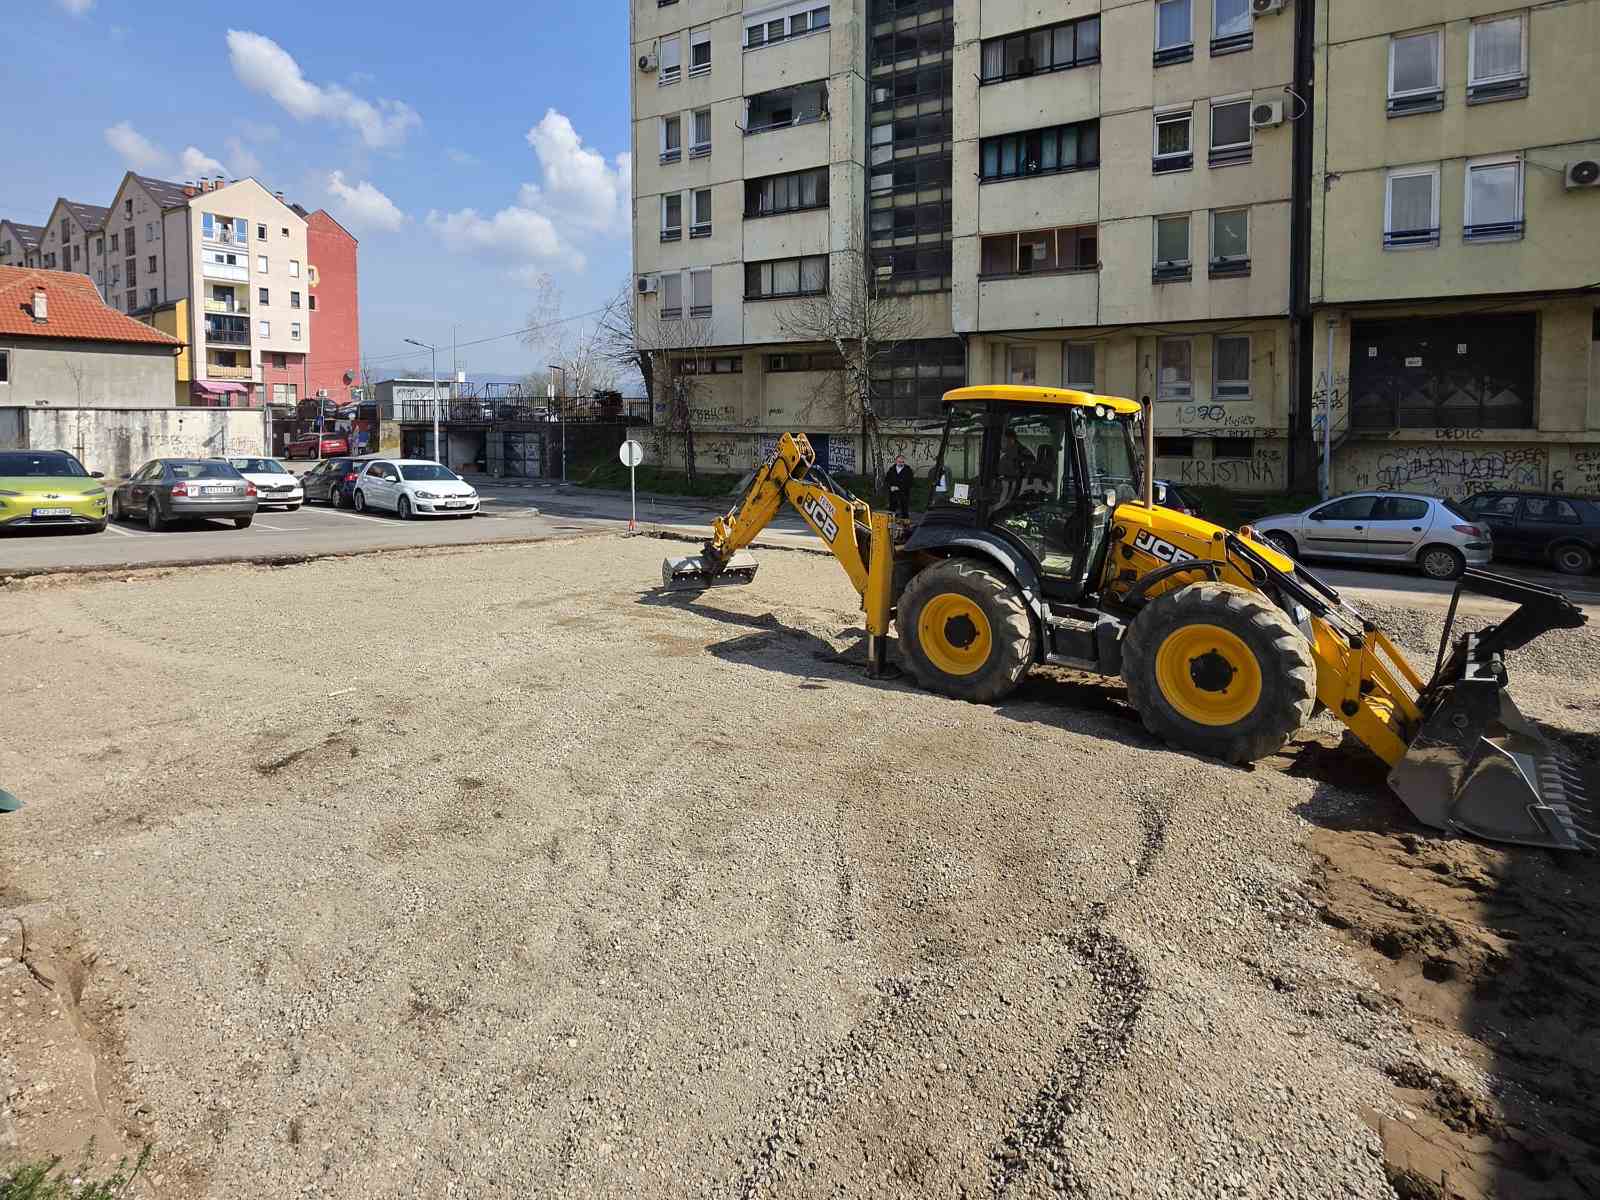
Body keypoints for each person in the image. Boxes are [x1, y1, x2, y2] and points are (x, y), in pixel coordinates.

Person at [885, 454, 914, 520]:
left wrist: (899, 487)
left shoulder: (908, 470)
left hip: (904, 493)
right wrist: (890, 487)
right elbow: (887, 480)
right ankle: (891, 520)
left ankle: (905, 523)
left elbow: (910, 482)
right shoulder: (892, 469)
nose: (901, 463)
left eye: (902, 462)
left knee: (904, 509)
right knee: (892, 508)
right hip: (893, 493)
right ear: (896, 461)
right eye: (899, 461)